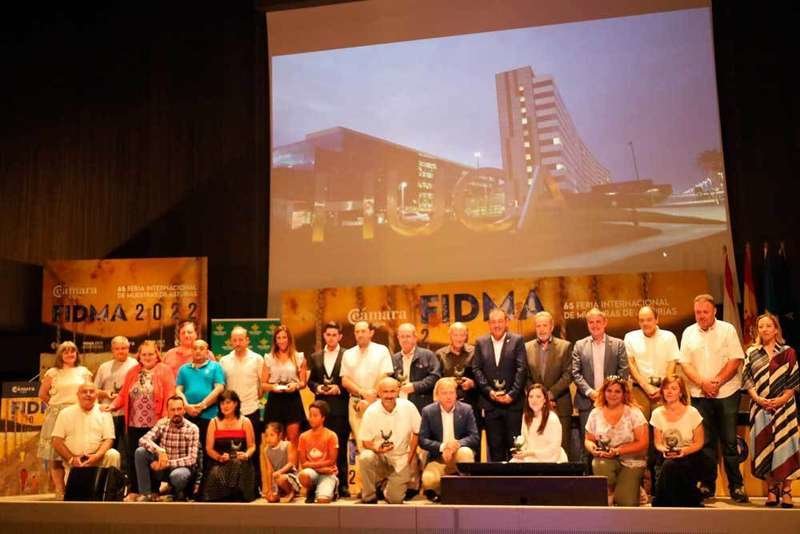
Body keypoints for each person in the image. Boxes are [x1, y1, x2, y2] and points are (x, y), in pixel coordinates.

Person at [679, 294, 748, 502]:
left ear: (714, 311)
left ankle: (736, 486)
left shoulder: (727, 329)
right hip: (700, 394)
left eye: (705, 312)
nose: (701, 316)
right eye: (698, 312)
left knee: (729, 441)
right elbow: (685, 364)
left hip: (727, 393)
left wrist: (716, 382)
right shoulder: (688, 332)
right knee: (705, 442)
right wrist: (703, 383)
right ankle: (708, 485)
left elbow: (735, 359)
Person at [104, 339, 175, 501]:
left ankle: (154, 490)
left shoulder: (164, 370)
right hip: (134, 423)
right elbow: (123, 394)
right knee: (132, 457)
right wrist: (112, 406)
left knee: (152, 457)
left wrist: (165, 418)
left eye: (151, 354)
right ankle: (135, 489)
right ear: (139, 355)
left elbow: (170, 393)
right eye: (144, 354)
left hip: (155, 423)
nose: (147, 357)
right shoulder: (133, 371)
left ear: (157, 354)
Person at [743, 312, 800, 508]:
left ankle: (786, 491)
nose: (764, 329)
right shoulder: (752, 352)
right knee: (764, 447)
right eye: (761, 326)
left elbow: (793, 380)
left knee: (786, 447)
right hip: (760, 408)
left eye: (768, 326)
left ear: (776, 329)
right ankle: (771, 491)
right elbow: (747, 379)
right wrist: (758, 399)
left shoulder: (788, 351)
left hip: (784, 408)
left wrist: (781, 399)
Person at [623, 305, 680, 499]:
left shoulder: (669, 337)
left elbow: (673, 363)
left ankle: (661, 487)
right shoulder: (630, 337)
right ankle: (639, 488)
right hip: (640, 391)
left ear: (657, 319)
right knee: (639, 440)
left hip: (664, 391)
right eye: (642, 320)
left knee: (663, 437)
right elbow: (630, 364)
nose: (645, 323)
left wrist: (663, 387)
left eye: (649, 319)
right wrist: (646, 387)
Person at [571, 308, 628, 466]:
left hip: (613, 402)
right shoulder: (579, 345)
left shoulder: (618, 345)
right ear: (587, 324)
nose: (595, 325)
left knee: (612, 443)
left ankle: (611, 482)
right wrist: (590, 392)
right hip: (587, 401)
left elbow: (623, 373)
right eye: (591, 322)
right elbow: (575, 373)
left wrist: (607, 394)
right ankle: (588, 484)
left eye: (598, 321)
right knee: (588, 446)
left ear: (605, 323)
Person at [37, 341, 93, 498]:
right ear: (60, 355)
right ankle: (60, 490)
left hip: (78, 414)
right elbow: (42, 394)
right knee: (55, 455)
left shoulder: (84, 372)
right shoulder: (53, 373)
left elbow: (90, 392)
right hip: (56, 415)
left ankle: (78, 489)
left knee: (79, 451)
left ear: (77, 354)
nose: (70, 354)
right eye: (66, 352)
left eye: (73, 352)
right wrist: (56, 406)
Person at [472, 308, 527, 462]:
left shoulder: (517, 340)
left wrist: (512, 394)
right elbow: (476, 369)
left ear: (506, 322)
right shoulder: (480, 342)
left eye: (500, 321)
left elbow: (522, 369)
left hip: (513, 404)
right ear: (489, 324)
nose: (497, 325)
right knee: (495, 448)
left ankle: (516, 485)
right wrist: (489, 392)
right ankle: (498, 484)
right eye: (493, 322)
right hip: (491, 405)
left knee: (515, 448)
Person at [584, 376, 648, 507]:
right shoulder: (595, 413)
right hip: (606, 459)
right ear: (604, 392)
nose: (612, 394)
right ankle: (610, 491)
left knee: (625, 503)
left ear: (624, 394)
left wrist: (618, 451)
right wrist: (593, 449)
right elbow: (588, 440)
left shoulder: (634, 413)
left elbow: (643, 443)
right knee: (599, 464)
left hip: (631, 461)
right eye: (609, 390)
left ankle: (633, 489)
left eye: (617, 391)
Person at [358, 377, 421, 504]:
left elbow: (417, 432)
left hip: (401, 459)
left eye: (392, 391)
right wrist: (377, 448)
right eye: (385, 392)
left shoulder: (409, 407)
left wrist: (409, 457)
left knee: (395, 499)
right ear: (379, 393)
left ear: (398, 391)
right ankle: (369, 496)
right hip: (380, 457)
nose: (389, 395)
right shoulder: (371, 411)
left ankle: (386, 489)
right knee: (365, 457)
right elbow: (365, 442)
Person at [307, 321, 350, 496]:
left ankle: (343, 485)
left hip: (340, 407)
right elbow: (310, 381)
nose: (331, 338)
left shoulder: (348, 355)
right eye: (328, 334)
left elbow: (349, 378)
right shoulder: (315, 356)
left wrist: (338, 387)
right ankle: (317, 484)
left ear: (339, 336)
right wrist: (317, 387)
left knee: (339, 447)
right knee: (319, 447)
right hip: (320, 410)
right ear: (324, 336)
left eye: (334, 335)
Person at [219, 325, 264, 492]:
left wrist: (254, 398)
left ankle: (255, 486)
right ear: (230, 341)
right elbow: (223, 388)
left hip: (251, 409)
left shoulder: (257, 359)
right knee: (232, 451)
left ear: (247, 340)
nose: (237, 343)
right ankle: (233, 486)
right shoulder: (224, 361)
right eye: (234, 340)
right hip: (231, 414)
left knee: (252, 450)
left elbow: (262, 385)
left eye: (241, 339)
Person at [418, 377, 479, 502]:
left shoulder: (466, 409)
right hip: (438, 457)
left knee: (465, 452)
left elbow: (474, 437)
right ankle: (443, 493)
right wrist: (443, 447)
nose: (448, 396)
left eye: (451, 392)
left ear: (456, 394)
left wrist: (456, 445)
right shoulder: (428, 411)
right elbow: (422, 440)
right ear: (437, 395)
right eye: (444, 393)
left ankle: (466, 492)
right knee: (428, 480)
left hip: (458, 454)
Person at [650, 375, 705, 507]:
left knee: (672, 466)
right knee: (669, 464)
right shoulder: (657, 413)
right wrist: (667, 451)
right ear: (662, 391)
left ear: (681, 393)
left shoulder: (692, 412)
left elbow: (699, 442)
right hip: (666, 456)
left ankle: (664, 502)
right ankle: (689, 498)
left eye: (674, 388)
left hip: (689, 455)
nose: (669, 392)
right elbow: (658, 443)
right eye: (666, 388)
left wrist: (683, 451)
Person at [524, 311, 574, 459]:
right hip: (534, 407)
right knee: (536, 448)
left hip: (559, 404)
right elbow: (525, 376)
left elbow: (568, 375)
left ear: (551, 327)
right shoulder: (526, 348)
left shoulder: (565, 347)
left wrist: (549, 395)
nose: (541, 329)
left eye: (545, 325)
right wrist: (538, 398)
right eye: (538, 325)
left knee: (562, 448)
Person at [134, 395, 200, 502]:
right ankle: (145, 494)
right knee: (140, 452)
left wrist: (167, 463)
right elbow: (142, 440)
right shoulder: (162, 423)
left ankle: (174, 494)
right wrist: (159, 451)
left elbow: (192, 459)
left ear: (184, 410)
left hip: (180, 468)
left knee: (178, 476)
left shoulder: (193, 429)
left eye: (179, 409)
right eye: (173, 410)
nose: (176, 413)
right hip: (162, 466)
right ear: (168, 411)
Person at [340, 321, 394, 449]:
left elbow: (385, 375)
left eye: (363, 331)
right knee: (361, 444)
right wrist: (362, 392)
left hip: (378, 402)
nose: (360, 334)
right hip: (356, 403)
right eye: (357, 332)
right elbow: (345, 380)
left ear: (371, 333)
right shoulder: (348, 353)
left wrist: (371, 396)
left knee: (380, 441)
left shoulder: (382, 350)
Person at [51, 383, 120, 476]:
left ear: (96, 395)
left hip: (98, 459)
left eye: (91, 392)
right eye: (84, 392)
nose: (88, 394)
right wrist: (72, 459)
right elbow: (57, 441)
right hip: (75, 462)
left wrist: (96, 456)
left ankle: (110, 488)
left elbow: (109, 439)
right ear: (77, 395)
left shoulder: (104, 412)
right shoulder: (65, 413)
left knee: (113, 454)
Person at [435, 322, 482, 457]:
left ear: (467, 335)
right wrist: (448, 385)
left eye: (462, 334)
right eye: (456, 334)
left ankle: (473, 476)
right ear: (450, 335)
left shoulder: (475, 352)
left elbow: (484, 377)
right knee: (448, 440)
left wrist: (473, 384)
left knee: (472, 443)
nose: (459, 338)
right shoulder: (440, 355)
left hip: (471, 405)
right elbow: (436, 381)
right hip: (446, 407)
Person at [202, 390, 257, 502]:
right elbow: (209, 449)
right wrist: (219, 457)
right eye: (222, 403)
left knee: (236, 464)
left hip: (240, 460)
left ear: (236, 403)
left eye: (228, 402)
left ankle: (236, 496)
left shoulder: (245, 421)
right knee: (215, 473)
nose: (225, 406)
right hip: (219, 461)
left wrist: (246, 455)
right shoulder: (214, 422)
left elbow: (252, 446)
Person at [94, 336, 138, 463]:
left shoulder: (135, 364)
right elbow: (95, 390)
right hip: (108, 414)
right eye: (117, 348)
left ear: (129, 348)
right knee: (109, 450)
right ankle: (109, 479)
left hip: (129, 414)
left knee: (129, 449)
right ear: (112, 350)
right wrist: (106, 393)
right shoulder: (104, 367)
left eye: (123, 348)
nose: (120, 351)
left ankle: (128, 480)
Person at [262, 325, 307, 448]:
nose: (281, 340)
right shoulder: (268, 358)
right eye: (278, 338)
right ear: (275, 340)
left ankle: (292, 467)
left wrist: (296, 385)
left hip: (292, 400)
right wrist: (273, 387)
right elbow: (263, 384)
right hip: (274, 401)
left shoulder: (299, 357)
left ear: (289, 339)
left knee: (293, 439)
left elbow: (303, 383)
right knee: (275, 440)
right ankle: (277, 467)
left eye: (284, 337)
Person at [176, 339, 225, 449]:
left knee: (208, 448)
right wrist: (186, 406)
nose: (198, 351)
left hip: (209, 416)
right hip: (188, 416)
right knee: (188, 448)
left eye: (201, 349)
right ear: (191, 351)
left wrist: (203, 405)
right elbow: (178, 390)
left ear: (207, 352)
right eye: (195, 348)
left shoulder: (215, 367)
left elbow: (220, 388)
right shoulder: (183, 369)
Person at [392, 322, 442, 413]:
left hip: (422, 406)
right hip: (399, 407)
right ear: (398, 338)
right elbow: (390, 379)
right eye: (402, 337)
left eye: (408, 336)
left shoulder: (428, 355)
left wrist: (415, 386)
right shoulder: (394, 358)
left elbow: (435, 377)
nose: (405, 339)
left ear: (415, 338)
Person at [511, 383, 568, 463]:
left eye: (538, 396)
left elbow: (554, 448)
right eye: (531, 397)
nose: (534, 400)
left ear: (545, 399)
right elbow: (525, 441)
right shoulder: (525, 416)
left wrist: (531, 453)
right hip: (529, 457)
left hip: (550, 458)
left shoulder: (552, 418)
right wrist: (520, 451)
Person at [298, 400, 340, 503]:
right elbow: (303, 463)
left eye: (315, 415)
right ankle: (311, 490)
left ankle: (333, 489)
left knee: (323, 501)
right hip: (316, 472)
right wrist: (320, 470)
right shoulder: (303, 436)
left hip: (328, 473)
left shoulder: (331, 435)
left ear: (323, 418)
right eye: (310, 415)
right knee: (303, 475)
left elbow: (331, 461)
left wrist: (313, 466)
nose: (311, 418)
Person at [261, 422, 300, 502]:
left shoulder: (286, 445)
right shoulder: (266, 450)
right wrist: (269, 489)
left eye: (272, 435)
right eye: (266, 436)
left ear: (279, 435)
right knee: (271, 499)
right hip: (277, 478)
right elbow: (269, 470)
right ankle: (282, 492)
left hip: (290, 476)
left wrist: (279, 472)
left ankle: (291, 492)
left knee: (280, 479)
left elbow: (290, 464)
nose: (268, 438)